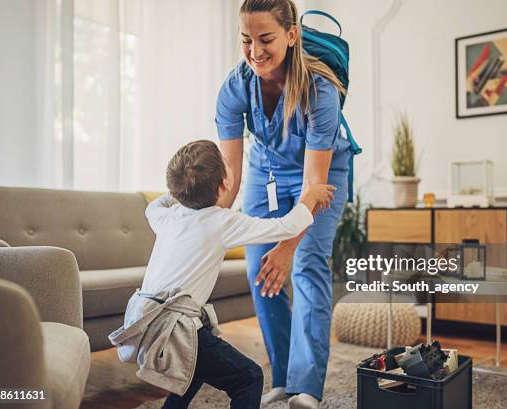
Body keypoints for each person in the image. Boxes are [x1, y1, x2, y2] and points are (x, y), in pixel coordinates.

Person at [108, 140, 335, 409]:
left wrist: (179, 191)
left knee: (192, 368)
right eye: (228, 166)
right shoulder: (221, 221)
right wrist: (310, 196)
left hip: (143, 320)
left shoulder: (166, 216)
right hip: (175, 328)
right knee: (249, 377)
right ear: (225, 183)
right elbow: (286, 227)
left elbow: (152, 206)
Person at [215, 1, 351, 408]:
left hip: (323, 174)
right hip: (266, 170)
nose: (255, 50)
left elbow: (314, 183)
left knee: (306, 262)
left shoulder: (320, 90)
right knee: (260, 267)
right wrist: (204, 230)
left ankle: (307, 387)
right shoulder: (235, 87)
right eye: (246, 40)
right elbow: (230, 178)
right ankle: (284, 375)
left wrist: (288, 246)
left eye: (266, 39)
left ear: (292, 35)